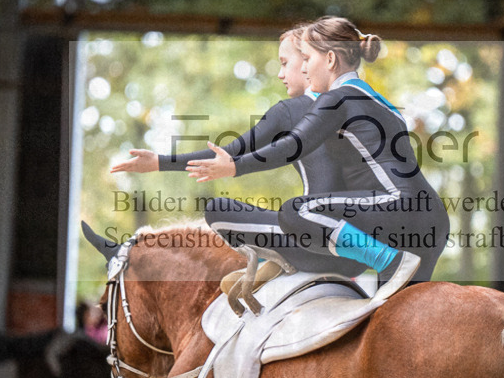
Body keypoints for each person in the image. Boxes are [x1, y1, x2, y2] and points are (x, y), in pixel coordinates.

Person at [187, 16, 450, 288]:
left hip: (397, 208)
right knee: (391, 325)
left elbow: (293, 145)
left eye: (308, 59)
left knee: (297, 211)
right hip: (432, 221)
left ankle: (386, 260)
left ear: (330, 60)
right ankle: (382, 260)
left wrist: (234, 166)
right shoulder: (381, 102)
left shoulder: (337, 98)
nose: (305, 70)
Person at [111, 25, 363, 278]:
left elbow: (228, 153)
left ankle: (278, 263)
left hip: (320, 244)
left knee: (217, 209)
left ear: (310, 61)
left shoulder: (290, 111)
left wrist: (158, 162)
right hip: (362, 244)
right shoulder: (360, 105)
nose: (279, 74)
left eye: (286, 63)